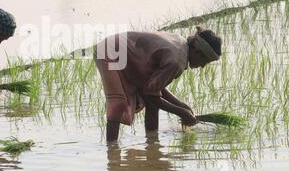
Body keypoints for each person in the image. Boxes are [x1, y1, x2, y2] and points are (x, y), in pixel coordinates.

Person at [94, 26, 222, 142]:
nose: (203, 66)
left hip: (122, 55)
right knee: (118, 103)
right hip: (109, 51)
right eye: (206, 61)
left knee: (153, 103)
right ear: (198, 52)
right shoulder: (176, 61)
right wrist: (181, 112)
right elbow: (149, 94)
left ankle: (152, 140)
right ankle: (112, 151)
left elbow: (155, 88)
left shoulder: (181, 45)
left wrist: (183, 106)